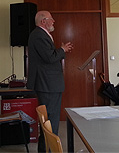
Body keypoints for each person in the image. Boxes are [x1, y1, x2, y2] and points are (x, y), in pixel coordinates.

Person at [27, 10, 74, 153]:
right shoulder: (39, 35)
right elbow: (49, 57)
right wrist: (62, 49)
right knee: (50, 123)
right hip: (47, 85)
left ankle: (47, 150)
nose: (53, 21)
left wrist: (60, 50)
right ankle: (50, 150)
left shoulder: (41, 35)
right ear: (43, 21)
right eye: (51, 19)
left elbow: (48, 57)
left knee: (49, 123)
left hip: (49, 84)